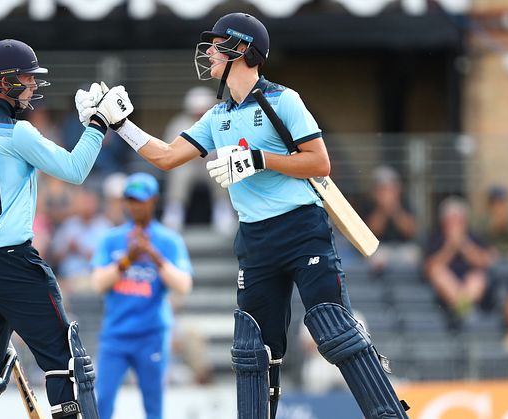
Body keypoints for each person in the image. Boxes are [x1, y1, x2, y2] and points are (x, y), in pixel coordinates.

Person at [76, 12, 410, 419]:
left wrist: (257, 159)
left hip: (302, 229)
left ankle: (390, 414)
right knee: (254, 348)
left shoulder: (283, 100)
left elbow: (320, 163)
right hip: (254, 239)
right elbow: (165, 157)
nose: (211, 52)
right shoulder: (217, 117)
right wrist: (119, 124)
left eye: (218, 45)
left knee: (332, 328)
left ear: (243, 50)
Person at [0, 39, 131, 419]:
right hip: (12, 261)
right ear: (6, 83)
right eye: (27, 77)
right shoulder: (17, 133)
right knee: (64, 360)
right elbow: (75, 170)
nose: (33, 85)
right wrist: (98, 125)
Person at [91, 172, 192, 419]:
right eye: (130, 199)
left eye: (140, 200)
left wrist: (153, 255)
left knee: (153, 404)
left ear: (153, 200)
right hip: (115, 334)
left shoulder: (168, 240)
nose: (134, 206)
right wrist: (128, 259)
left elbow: (183, 285)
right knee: (101, 402)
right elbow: (98, 284)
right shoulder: (112, 238)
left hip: (152, 334)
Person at [160, 86, 235, 234]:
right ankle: (175, 211)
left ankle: (222, 210)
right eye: (196, 112)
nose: (199, 115)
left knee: (221, 167)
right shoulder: (179, 123)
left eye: (202, 111)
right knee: (179, 173)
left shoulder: (220, 120)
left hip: (212, 164)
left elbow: (226, 146)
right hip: (187, 165)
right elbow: (170, 149)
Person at [424, 196, 492, 324]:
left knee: (477, 277)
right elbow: (429, 268)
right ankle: (464, 311)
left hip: (468, 284)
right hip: (447, 290)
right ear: (444, 222)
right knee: (439, 273)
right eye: (452, 221)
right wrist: (450, 247)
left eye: (459, 221)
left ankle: (459, 311)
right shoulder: (436, 238)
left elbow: (484, 261)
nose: (456, 225)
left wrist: (463, 245)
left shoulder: (473, 237)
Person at [363, 165, 420, 275]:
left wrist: (394, 208)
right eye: (382, 189)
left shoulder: (405, 202)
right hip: (379, 248)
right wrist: (383, 209)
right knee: (375, 260)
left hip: (403, 246)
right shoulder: (368, 204)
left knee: (414, 256)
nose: (386, 193)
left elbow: (410, 230)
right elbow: (372, 231)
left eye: (390, 188)